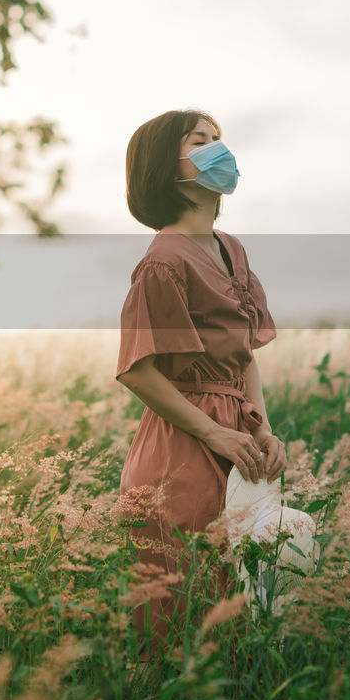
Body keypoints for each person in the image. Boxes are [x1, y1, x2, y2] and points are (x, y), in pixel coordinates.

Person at [114, 108, 286, 661]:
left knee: (251, 604)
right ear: (167, 168)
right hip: (182, 447)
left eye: (219, 140)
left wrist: (260, 428)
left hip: (235, 435)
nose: (218, 150)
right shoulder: (163, 260)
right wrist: (215, 434)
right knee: (189, 621)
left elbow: (245, 358)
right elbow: (138, 369)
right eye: (200, 141)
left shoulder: (231, 249)